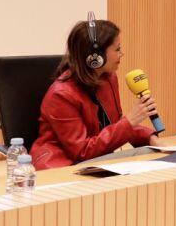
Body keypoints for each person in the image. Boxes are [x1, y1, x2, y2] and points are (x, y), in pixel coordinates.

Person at [30, 14, 158, 170]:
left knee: (152, 155)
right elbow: (81, 151)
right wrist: (129, 122)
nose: (121, 55)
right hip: (62, 166)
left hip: (96, 159)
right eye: (117, 49)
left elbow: (116, 123)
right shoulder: (60, 95)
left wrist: (150, 138)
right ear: (95, 57)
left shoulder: (108, 79)